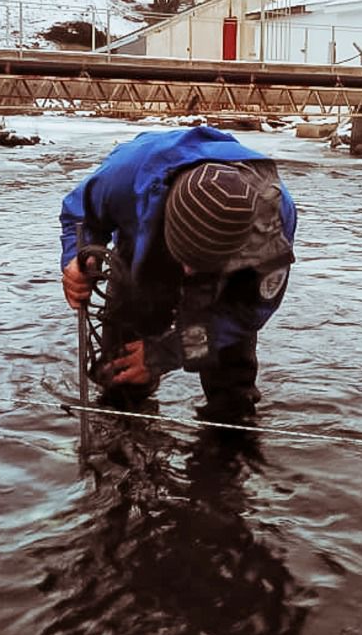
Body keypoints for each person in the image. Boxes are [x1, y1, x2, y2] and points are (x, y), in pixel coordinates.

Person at [60, 125, 296, 420]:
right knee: (122, 371)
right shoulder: (124, 176)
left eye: (202, 266)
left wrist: (165, 353)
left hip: (233, 268)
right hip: (145, 243)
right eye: (186, 260)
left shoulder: (274, 222)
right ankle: (123, 430)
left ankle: (229, 445)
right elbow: (80, 213)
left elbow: (247, 313)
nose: (188, 275)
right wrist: (78, 256)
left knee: (231, 390)